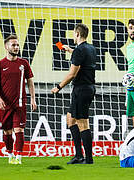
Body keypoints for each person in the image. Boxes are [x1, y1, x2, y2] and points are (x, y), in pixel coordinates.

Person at [51, 23, 96, 164]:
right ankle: (78, 155)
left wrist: (58, 87)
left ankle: (88, 159)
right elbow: (82, 58)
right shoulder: (90, 48)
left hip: (81, 89)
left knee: (83, 123)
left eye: (73, 34)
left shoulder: (79, 51)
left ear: (77, 34)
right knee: (70, 119)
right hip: (88, 88)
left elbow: (72, 74)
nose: (73, 36)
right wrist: (70, 50)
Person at [0, 34, 37, 164]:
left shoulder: (24, 63)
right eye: (13, 45)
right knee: (7, 132)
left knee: (19, 130)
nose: (16, 47)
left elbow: (30, 82)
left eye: (17, 45)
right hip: (5, 105)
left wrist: (33, 99)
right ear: (6, 47)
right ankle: (10, 154)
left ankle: (18, 157)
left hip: (20, 103)